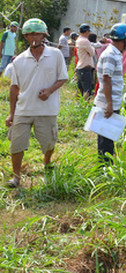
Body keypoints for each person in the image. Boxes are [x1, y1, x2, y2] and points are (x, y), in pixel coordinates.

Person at [5, 18, 68, 188]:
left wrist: (49, 90)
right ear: (25, 36)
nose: (33, 36)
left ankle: (47, 162)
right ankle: (16, 177)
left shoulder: (55, 55)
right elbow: (14, 88)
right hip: (23, 110)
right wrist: (11, 113)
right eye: (29, 33)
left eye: (37, 33)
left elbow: (63, 78)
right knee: (16, 144)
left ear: (44, 35)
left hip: (47, 110)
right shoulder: (19, 61)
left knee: (49, 143)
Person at [95, 23, 126, 164]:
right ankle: (104, 167)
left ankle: (107, 164)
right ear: (125, 39)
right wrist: (109, 104)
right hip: (107, 102)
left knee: (109, 137)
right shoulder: (111, 54)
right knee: (105, 138)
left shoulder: (115, 53)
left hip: (112, 101)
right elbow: (106, 79)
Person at [75, 23, 96, 100]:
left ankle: (77, 104)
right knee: (87, 89)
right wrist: (92, 48)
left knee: (79, 87)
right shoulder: (85, 41)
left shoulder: (79, 40)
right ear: (87, 31)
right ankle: (84, 105)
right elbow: (92, 53)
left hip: (80, 66)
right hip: (86, 67)